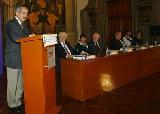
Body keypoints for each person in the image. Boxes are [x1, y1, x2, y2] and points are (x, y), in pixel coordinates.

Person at [5, 5, 31, 114]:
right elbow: (15, 38)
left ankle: (18, 101)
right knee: (12, 83)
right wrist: (29, 36)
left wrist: (31, 36)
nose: (26, 16)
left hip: (23, 58)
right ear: (17, 13)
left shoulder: (24, 25)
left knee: (20, 83)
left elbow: (30, 35)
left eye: (26, 13)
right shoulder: (10, 24)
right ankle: (11, 104)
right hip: (13, 58)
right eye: (23, 13)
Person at [55, 32, 74, 101]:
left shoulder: (67, 44)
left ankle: (69, 88)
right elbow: (60, 53)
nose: (63, 38)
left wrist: (80, 52)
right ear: (59, 37)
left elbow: (72, 50)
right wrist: (67, 56)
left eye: (64, 37)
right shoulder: (57, 45)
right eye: (61, 37)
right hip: (61, 64)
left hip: (69, 63)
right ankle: (63, 92)